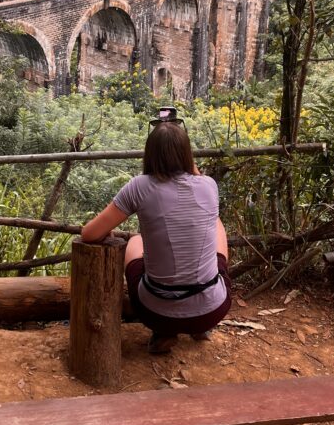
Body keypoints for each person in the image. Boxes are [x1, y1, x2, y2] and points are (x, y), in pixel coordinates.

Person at [81, 121, 231, 354]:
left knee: (135, 240)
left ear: (149, 153)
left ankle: (164, 333)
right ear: (187, 154)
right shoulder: (209, 185)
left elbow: (89, 234)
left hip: (156, 314)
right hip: (212, 311)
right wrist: (191, 166)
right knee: (217, 225)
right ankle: (200, 328)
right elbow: (206, 207)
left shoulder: (139, 187)